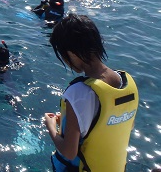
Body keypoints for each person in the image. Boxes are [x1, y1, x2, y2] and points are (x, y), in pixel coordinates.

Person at [44, 14, 139, 172]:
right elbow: (119, 124)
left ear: (72, 53)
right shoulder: (128, 83)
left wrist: (51, 127)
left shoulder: (78, 92)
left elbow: (69, 151)